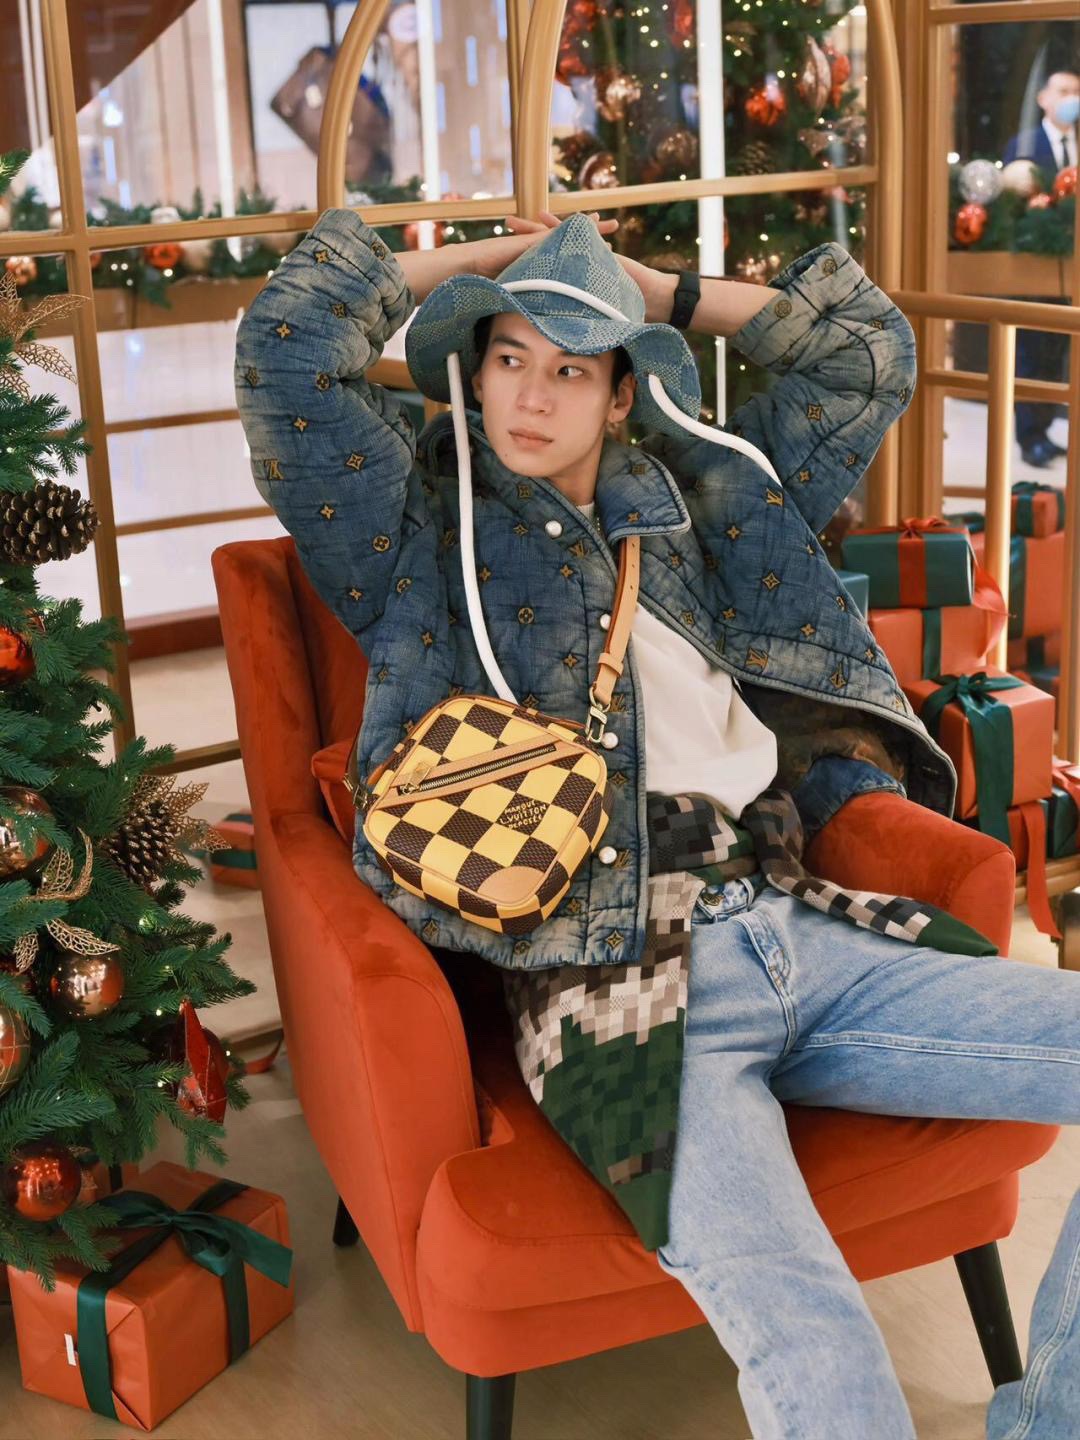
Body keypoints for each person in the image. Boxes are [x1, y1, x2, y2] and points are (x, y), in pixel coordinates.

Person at [234, 207, 1080, 1436]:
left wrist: (656, 290)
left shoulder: (711, 503)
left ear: (623, 394)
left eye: (571, 367)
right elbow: (286, 346)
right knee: (809, 1329)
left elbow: (865, 356)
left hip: (802, 924)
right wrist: (486, 263)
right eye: (508, 357)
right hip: (613, 989)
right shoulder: (415, 530)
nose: (531, 395)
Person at [1001, 67, 1079, 469]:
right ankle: (1029, 437)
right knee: (1032, 353)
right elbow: (1009, 204)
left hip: (1073, 270)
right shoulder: (1025, 145)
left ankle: (1045, 431)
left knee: (1058, 354)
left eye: (1077, 91)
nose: (1071, 98)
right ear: (1043, 99)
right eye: (1063, 90)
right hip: (1034, 267)